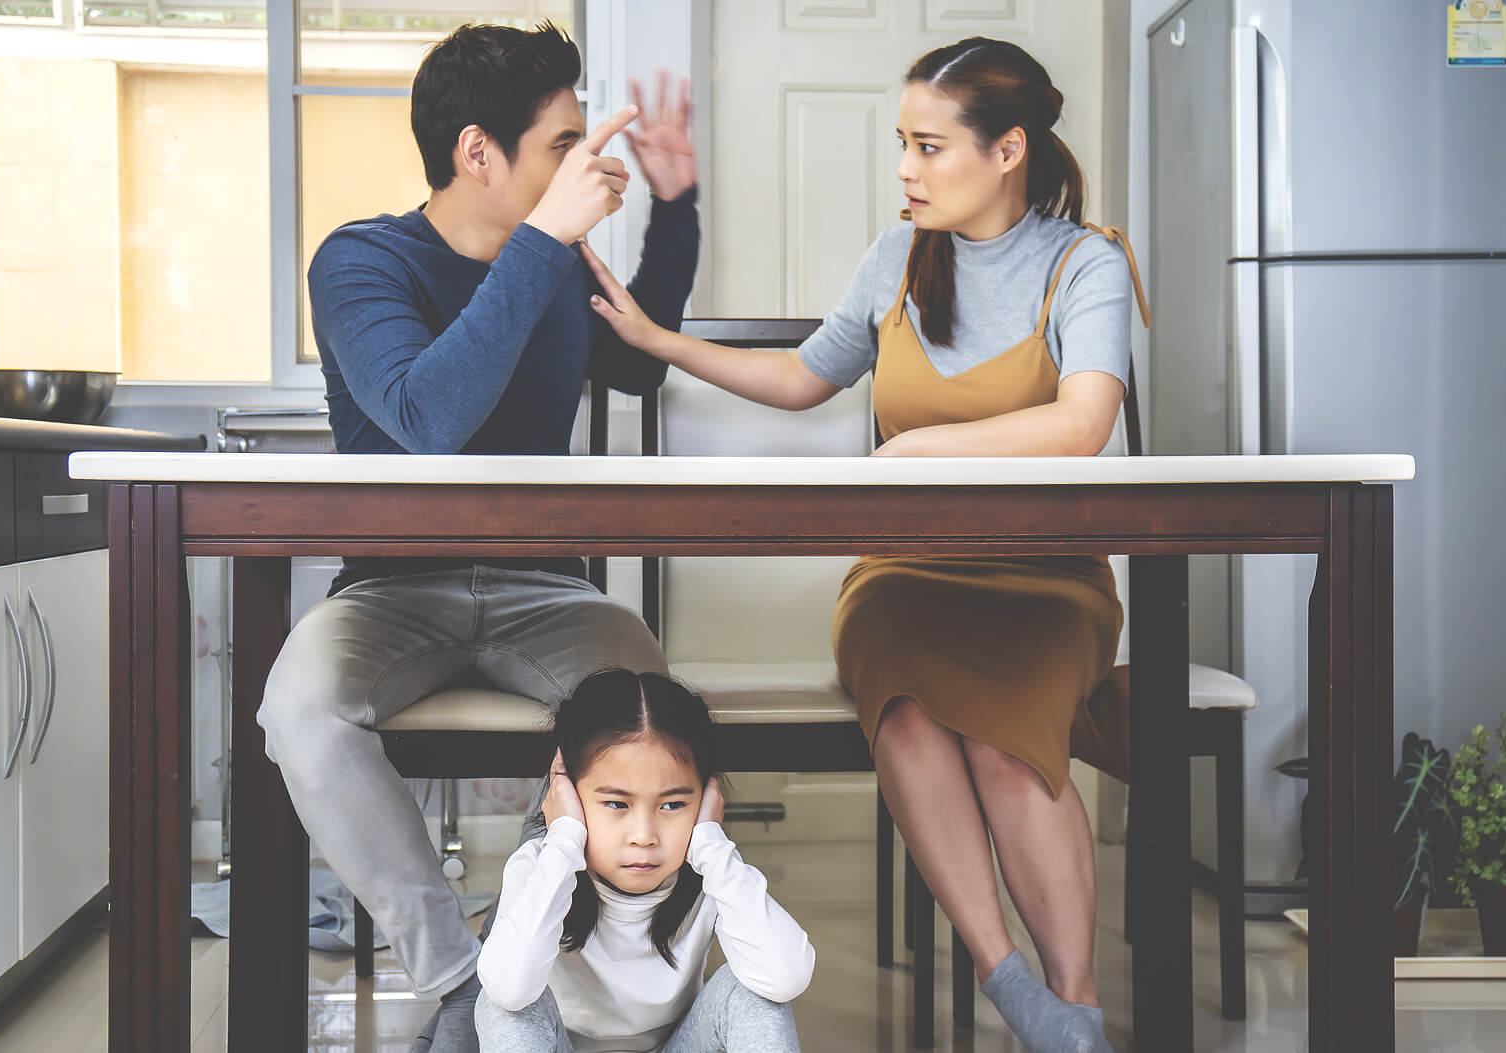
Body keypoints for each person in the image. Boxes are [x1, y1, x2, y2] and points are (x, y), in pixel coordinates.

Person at [579, 36, 1149, 1053]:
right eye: (902, 143)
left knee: (1006, 747)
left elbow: (1083, 423)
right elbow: (805, 378)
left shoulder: (1083, 263)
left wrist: (924, 443)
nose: (905, 168)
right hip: (902, 576)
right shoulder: (895, 260)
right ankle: (1010, 981)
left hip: (1047, 581)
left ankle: (1078, 1007)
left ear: (1008, 149)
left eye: (929, 146)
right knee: (910, 717)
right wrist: (661, 343)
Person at [255, 21, 701, 1053]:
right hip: (388, 594)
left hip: (549, 590)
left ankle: (544, 954)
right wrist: (544, 242)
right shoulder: (362, 261)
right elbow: (427, 418)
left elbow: (637, 364)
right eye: (562, 143)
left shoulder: (549, 261)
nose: (585, 163)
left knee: (648, 718)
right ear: (476, 152)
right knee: (297, 711)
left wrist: (674, 208)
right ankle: (462, 980)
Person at [476, 669, 814, 1052]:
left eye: (673, 805)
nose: (644, 836)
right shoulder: (539, 866)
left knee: (756, 996)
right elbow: (508, 988)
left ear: (705, 800)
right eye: (616, 804)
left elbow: (787, 977)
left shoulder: (713, 874)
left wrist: (711, 847)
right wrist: (564, 839)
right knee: (503, 1005)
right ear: (566, 791)